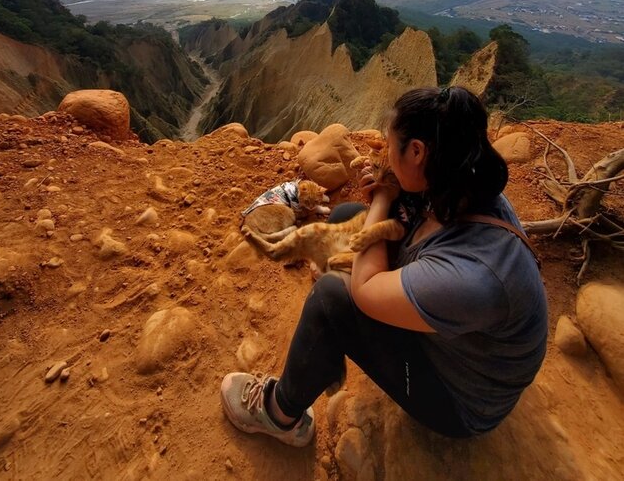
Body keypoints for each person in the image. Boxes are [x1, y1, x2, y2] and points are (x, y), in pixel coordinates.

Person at [220, 86, 548, 446]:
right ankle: (329, 343)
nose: (386, 157)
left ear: (418, 152)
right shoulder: (462, 182)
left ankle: (280, 414)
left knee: (332, 297)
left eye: (392, 149)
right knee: (346, 215)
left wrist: (383, 198)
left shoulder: (474, 277)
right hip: (462, 343)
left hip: (461, 399)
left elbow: (364, 292)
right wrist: (389, 194)